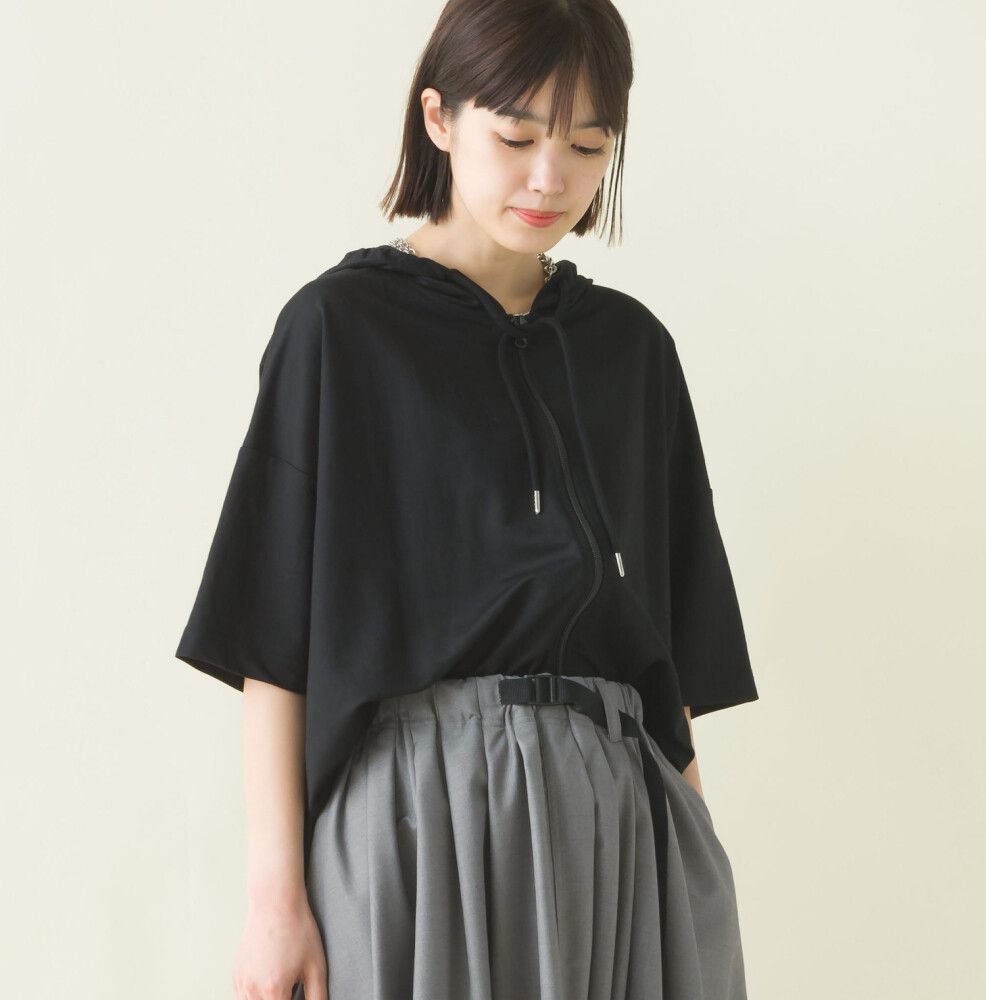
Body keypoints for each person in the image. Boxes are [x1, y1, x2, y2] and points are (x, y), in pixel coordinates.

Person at [175, 1, 760, 997]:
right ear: (439, 118)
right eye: (517, 136)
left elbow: (665, 651)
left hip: (619, 820)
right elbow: (271, 641)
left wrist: (698, 865)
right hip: (415, 819)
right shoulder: (341, 329)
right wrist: (274, 903)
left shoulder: (632, 351)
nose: (551, 178)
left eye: (588, 145)